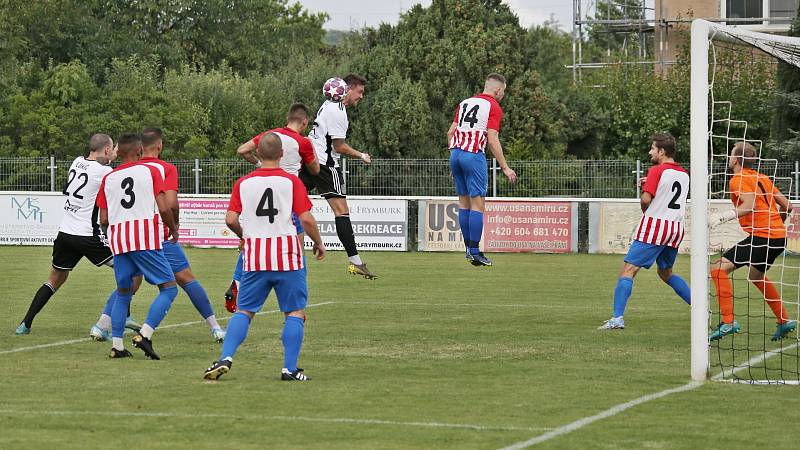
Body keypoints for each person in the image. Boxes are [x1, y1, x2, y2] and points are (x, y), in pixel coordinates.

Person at [203, 133, 325, 381]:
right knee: (294, 312)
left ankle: (225, 357)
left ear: (257, 154)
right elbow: (305, 218)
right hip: (287, 255)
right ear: (282, 155)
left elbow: (230, 219)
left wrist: (244, 235)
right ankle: (289, 369)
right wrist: (319, 243)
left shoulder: (244, 183)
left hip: (256, 255)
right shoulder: (292, 182)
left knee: (245, 311)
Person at [90, 127, 226, 342]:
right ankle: (216, 327)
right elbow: (170, 204)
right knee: (183, 280)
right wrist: (175, 226)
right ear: (159, 146)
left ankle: (102, 326)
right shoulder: (164, 169)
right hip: (154, 235)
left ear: (140, 147)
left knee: (127, 286)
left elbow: (105, 217)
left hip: (125, 236)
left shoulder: (118, 172)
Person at [15, 134, 142, 336]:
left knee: (54, 279)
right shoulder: (104, 171)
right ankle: (119, 318)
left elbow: (97, 163)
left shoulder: (77, 162)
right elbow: (115, 177)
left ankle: (25, 324)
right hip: (87, 234)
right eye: (112, 149)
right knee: (133, 271)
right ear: (108, 150)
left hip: (65, 232)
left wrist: (111, 153)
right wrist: (119, 153)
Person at [224, 103, 320, 312]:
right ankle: (296, 303)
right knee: (297, 248)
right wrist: (311, 151)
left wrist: (260, 165)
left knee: (255, 239)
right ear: (304, 122)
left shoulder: (270, 136)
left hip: (261, 190)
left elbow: (242, 150)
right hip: (287, 196)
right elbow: (315, 169)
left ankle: (238, 281)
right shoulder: (302, 142)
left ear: (288, 118)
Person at [96, 133, 180, 359]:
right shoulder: (150, 171)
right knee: (169, 288)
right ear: (140, 151)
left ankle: (117, 346)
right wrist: (173, 229)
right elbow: (163, 208)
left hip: (119, 238)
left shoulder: (109, 178)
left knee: (124, 292)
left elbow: (103, 219)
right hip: (143, 236)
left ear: (119, 152)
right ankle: (145, 334)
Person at [598, 133, 691, 330]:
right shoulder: (684, 174)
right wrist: (648, 182)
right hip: (675, 228)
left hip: (655, 226)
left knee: (628, 271)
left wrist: (645, 207)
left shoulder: (657, 170)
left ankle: (617, 319)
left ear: (662, 151)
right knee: (666, 273)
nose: (650, 152)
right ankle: (701, 309)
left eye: (653, 148)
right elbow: (668, 194)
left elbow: (646, 200)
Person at [708, 141, 797, 341]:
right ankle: (784, 320)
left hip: (763, 237)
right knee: (756, 276)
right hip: (777, 237)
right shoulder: (762, 178)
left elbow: (748, 206)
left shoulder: (737, 179)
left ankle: (728, 321)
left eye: (731, 154)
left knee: (717, 268)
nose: (729, 158)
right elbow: (788, 206)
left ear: (736, 159)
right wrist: (777, 222)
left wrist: (722, 217)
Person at [301, 74, 377, 279]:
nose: (361, 96)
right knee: (341, 212)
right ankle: (355, 262)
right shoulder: (338, 111)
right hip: (326, 166)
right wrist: (361, 155)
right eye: (359, 92)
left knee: (290, 202)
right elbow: (339, 146)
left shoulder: (327, 104)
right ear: (348, 89)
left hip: (309, 160)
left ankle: (252, 238)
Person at [447, 73, 517, 267]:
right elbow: (492, 138)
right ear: (498, 90)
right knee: (478, 205)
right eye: (503, 92)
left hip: (456, 154)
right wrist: (505, 167)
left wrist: (453, 159)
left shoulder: (465, 102)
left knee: (464, 204)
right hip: (473, 155)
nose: (503, 95)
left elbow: (451, 132)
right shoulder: (493, 106)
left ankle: (468, 249)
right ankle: (476, 252)